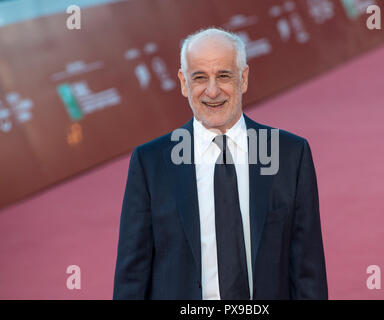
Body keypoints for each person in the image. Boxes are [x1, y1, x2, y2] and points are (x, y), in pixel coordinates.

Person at [113, 28, 328, 300]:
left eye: (223, 76)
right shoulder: (150, 163)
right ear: (183, 82)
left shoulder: (290, 155)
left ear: (244, 78)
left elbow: (308, 271)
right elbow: (132, 277)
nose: (212, 91)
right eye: (199, 77)